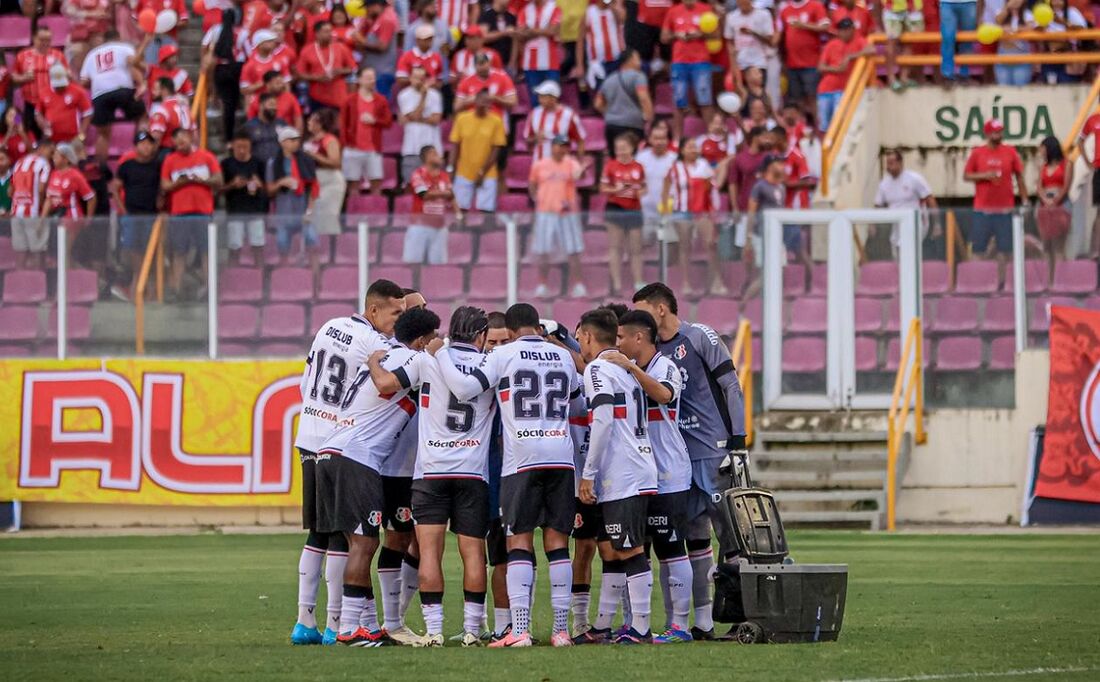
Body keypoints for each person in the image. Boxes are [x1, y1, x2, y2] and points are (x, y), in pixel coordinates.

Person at [426, 302, 582, 648]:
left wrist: (440, 355)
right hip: (561, 457)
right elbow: (576, 399)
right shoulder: (563, 357)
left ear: (510, 331)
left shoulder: (504, 354)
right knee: (557, 545)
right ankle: (560, 631)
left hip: (522, 459)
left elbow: (465, 389)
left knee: (519, 543)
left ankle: (520, 630)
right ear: (538, 328)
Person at [363, 306, 496, 648]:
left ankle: (434, 630)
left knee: (429, 552)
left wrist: (375, 361)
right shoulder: (490, 365)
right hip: (472, 472)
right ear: (481, 335)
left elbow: (387, 385)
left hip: (431, 472)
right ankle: (471, 629)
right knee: (473, 553)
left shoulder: (427, 359)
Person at [291, 278, 405, 646]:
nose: (397, 322)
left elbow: (305, 380)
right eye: (395, 313)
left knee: (317, 533)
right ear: (373, 311)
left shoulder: (329, 325)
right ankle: (335, 625)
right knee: (345, 533)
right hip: (339, 439)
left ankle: (303, 619)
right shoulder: (375, 342)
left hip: (307, 432)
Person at [632, 282, 746, 642]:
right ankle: (704, 622)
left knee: (733, 538)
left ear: (660, 309)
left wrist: (738, 442)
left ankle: (744, 618)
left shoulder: (699, 337)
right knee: (695, 539)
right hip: (679, 458)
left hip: (713, 452)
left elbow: (731, 386)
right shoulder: (650, 352)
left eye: (642, 309)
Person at [320, 307, 440, 647]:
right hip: (356, 457)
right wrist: (375, 364)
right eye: (432, 338)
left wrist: (374, 362)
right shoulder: (410, 359)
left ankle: (368, 627)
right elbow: (386, 382)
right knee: (365, 544)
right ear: (421, 339)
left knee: (360, 542)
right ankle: (348, 631)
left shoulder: (386, 354)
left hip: (332, 451)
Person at [605, 309, 694, 643]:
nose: (618, 344)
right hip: (639, 474)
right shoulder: (631, 370)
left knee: (672, 549)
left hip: (669, 472)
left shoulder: (664, 365)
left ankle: (680, 626)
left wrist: (629, 368)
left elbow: (665, 395)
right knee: (636, 551)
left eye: (621, 338)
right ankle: (635, 623)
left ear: (638, 337)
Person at [573, 308, 658, 645]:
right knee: (612, 548)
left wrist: (588, 475)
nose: (579, 343)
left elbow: (604, 420)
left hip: (624, 473)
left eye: (580, 337)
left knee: (629, 550)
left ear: (589, 336)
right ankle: (603, 625)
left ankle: (640, 629)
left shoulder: (598, 369)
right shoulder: (624, 369)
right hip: (634, 467)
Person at [160, 127, 222, 302]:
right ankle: (175, 289)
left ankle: (210, 287)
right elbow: (165, 185)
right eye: (177, 143)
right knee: (179, 252)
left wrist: (202, 180)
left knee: (206, 251)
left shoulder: (206, 157)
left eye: (183, 140)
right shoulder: (170, 160)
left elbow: (218, 180)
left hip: (203, 212)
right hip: (180, 213)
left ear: (190, 138)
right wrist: (180, 183)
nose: (181, 144)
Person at [963, 119, 1027, 284]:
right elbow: (967, 175)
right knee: (978, 248)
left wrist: (1025, 200)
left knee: (1004, 249)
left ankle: (1002, 282)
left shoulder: (1010, 152)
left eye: (1000, 131)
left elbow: (1019, 177)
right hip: (983, 210)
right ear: (987, 133)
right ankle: (977, 281)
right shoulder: (978, 153)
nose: (998, 135)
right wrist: (985, 175)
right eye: (994, 132)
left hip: (1005, 210)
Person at [664, 138, 726, 297]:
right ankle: (686, 283)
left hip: (703, 211)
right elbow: (666, 188)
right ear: (682, 150)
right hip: (682, 211)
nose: (693, 149)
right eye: (689, 146)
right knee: (685, 247)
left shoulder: (703, 166)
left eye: (695, 146)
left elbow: (713, 187)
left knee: (711, 244)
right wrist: (666, 210)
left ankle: (716, 281)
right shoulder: (675, 168)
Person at [530, 135, 588, 299]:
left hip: (567, 212)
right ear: (553, 146)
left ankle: (578, 284)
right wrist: (540, 200)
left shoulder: (571, 162)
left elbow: (578, 175)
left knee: (573, 249)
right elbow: (532, 185)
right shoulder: (540, 165)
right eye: (559, 145)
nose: (561, 149)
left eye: (565, 146)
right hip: (546, 212)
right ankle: (542, 284)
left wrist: (582, 171)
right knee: (543, 250)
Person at [111, 131, 162, 300]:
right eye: (143, 143)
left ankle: (151, 287)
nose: (146, 146)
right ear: (136, 146)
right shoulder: (127, 166)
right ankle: (139, 278)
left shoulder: (158, 165)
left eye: (149, 143)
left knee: (151, 250)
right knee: (133, 248)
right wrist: (123, 210)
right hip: (132, 214)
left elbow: (163, 187)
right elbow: (115, 188)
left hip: (151, 214)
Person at [79, 30, 149, 151]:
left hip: (99, 95)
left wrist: (98, 82)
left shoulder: (92, 54)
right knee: (141, 117)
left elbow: (83, 82)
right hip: (123, 90)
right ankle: (138, 150)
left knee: (103, 135)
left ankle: (102, 167)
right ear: (119, 37)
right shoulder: (124, 47)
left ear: (104, 40)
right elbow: (133, 62)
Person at [659, 0, 717, 142]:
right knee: (679, 101)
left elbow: (716, 34)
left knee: (705, 100)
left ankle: (712, 138)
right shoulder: (673, 11)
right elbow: (664, 37)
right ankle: (677, 140)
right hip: (679, 62)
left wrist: (699, 34)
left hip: (701, 62)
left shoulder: (706, 9)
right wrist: (677, 35)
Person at [266, 126, 319, 274]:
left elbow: (312, 188)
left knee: (313, 245)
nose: (296, 143)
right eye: (292, 140)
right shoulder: (273, 164)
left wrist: (310, 210)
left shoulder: (306, 162)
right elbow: (269, 189)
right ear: (283, 142)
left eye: (297, 140)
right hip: (284, 214)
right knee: (283, 247)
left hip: (302, 213)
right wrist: (281, 183)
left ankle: (316, 283)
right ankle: (286, 281)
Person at [600, 133, 647, 295]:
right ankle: (617, 285)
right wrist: (616, 189)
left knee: (636, 248)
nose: (620, 151)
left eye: (624, 147)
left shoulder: (638, 167)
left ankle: (638, 282)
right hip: (615, 208)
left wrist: (640, 192)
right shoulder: (611, 166)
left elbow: (643, 187)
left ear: (631, 148)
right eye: (618, 148)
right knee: (615, 247)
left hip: (634, 209)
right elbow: (603, 188)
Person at [449, 89, 506, 214]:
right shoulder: (462, 119)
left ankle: (484, 233)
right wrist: (451, 169)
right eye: (482, 101)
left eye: (487, 102)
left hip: (488, 172)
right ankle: (460, 234)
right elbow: (455, 147)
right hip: (463, 171)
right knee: (460, 210)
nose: (484, 104)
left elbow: (496, 150)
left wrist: (482, 172)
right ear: (475, 101)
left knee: (486, 212)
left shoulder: (496, 121)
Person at [874, 149, 939, 254]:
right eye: (887, 163)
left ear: (900, 163)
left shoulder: (914, 179)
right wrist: (873, 225)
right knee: (897, 252)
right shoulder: (884, 183)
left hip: (915, 222)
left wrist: (937, 224)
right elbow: (878, 204)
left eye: (891, 163)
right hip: (896, 224)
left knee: (909, 250)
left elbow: (930, 199)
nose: (888, 166)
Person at [341, 67, 393, 197]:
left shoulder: (381, 100)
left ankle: (377, 213)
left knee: (376, 183)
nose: (372, 80)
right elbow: (343, 124)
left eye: (373, 77)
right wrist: (346, 144)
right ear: (360, 80)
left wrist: (375, 120)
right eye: (368, 78)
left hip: (373, 149)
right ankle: (354, 214)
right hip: (353, 148)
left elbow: (388, 122)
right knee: (353, 185)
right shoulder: (349, 100)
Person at [817, 18, 874, 133]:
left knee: (838, 123)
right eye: (842, 30)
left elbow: (871, 50)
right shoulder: (831, 45)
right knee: (824, 125)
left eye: (848, 29)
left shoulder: (859, 41)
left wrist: (851, 56)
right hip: (825, 90)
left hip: (843, 90)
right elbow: (820, 67)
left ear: (853, 29)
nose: (845, 32)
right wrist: (837, 69)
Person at [404, 145, 459, 264]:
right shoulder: (418, 174)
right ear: (427, 157)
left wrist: (458, 214)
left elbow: (451, 196)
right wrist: (444, 193)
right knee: (413, 263)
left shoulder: (444, 176)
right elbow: (424, 194)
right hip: (419, 224)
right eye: (434, 154)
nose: (440, 156)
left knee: (438, 264)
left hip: (439, 226)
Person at [12, 27, 69, 140]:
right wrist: (24, 77)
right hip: (30, 103)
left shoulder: (58, 56)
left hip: (52, 103)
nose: (45, 43)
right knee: (32, 133)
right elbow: (14, 77)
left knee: (53, 133)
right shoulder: (22, 56)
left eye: (48, 40)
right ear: (34, 39)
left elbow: (67, 76)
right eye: (42, 39)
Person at [221, 132, 268, 267]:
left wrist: (259, 185)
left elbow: (268, 189)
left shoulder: (259, 163)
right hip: (235, 211)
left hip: (255, 211)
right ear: (233, 147)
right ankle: (234, 279)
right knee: (234, 248)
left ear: (250, 147)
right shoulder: (226, 164)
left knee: (258, 247)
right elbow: (218, 190)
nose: (242, 150)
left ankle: (260, 278)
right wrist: (232, 185)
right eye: (238, 147)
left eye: (245, 147)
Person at [742, 154, 786, 300]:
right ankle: (744, 303)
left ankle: (770, 302)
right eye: (779, 163)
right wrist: (748, 238)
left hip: (777, 236)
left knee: (780, 270)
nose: (782, 166)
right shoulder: (760, 187)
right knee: (765, 273)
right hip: (761, 235)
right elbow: (751, 212)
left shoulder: (781, 187)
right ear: (770, 166)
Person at [594, 48, 653, 152]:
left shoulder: (609, 79)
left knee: (615, 161)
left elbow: (598, 104)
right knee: (632, 161)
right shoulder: (638, 76)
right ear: (630, 60)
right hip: (632, 126)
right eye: (637, 58)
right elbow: (643, 97)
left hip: (611, 126)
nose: (640, 62)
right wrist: (649, 118)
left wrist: (610, 113)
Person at [203, 7, 248, 143]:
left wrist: (204, 63)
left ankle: (228, 138)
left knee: (227, 104)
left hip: (220, 68)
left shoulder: (214, 30)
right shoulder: (243, 32)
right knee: (235, 102)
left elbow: (204, 46)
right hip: (237, 68)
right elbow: (248, 52)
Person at [778, 0, 830, 114]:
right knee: (797, 100)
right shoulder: (785, 10)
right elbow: (780, 35)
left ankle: (819, 127)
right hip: (792, 63)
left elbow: (825, 26)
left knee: (812, 97)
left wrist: (803, 25)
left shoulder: (815, 5)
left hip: (811, 63)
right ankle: (801, 129)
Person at [10, 138, 55, 270]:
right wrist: (44, 208)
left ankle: (20, 287)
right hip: (34, 213)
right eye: (51, 152)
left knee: (21, 253)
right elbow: (41, 189)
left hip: (16, 213)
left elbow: (10, 190)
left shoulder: (19, 162)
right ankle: (38, 288)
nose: (52, 157)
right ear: (41, 148)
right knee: (38, 253)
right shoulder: (43, 164)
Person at [302, 109, 345, 240]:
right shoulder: (309, 140)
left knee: (328, 215)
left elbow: (335, 162)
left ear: (320, 123)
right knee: (314, 215)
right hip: (315, 180)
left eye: (312, 120)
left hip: (330, 180)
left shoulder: (329, 140)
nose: (308, 122)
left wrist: (314, 156)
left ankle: (331, 248)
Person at [397, 64, 444, 185]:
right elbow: (415, 116)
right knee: (411, 184)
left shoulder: (435, 95)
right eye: (415, 77)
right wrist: (423, 97)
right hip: (411, 149)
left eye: (421, 78)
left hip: (432, 148)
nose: (418, 81)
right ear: (410, 78)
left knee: (434, 184)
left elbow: (436, 119)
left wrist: (415, 119)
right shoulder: (403, 95)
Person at [298, 20, 358, 114]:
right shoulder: (307, 50)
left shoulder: (341, 47)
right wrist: (317, 78)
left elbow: (353, 68)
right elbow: (300, 74)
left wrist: (339, 71)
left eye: (330, 31)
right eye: (326, 31)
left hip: (338, 98)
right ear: (317, 34)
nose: (330, 34)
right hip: (317, 98)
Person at [524, 80, 587, 162]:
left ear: (553, 98)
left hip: (562, 166)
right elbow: (527, 139)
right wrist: (535, 139)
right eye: (539, 97)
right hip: (540, 165)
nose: (539, 100)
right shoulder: (534, 114)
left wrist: (580, 162)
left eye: (543, 97)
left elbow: (580, 140)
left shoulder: (569, 115)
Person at [1036, 136, 1073, 274]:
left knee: (1058, 246)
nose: (1041, 152)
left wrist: (1055, 201)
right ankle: (1048, 279)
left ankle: (1061, 279)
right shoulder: (1043, 167)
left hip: (1061, 204)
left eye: (1043, 149)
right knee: (1046, 245)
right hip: (1045, 206)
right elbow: (1039, 186)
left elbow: (1066, 186)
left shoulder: (1067, 164)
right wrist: (1045, 200)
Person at [518, 0, 563, 103]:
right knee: (535, 100)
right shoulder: (524, 11)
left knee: (552, 98)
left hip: (550, 63)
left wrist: (530, 31)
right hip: (530, 63)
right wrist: (544, 31)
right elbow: (520, 35)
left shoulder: (554, 8)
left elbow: (553, 31)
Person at [723, 0, 775, 91]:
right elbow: (729, 41)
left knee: (759, 95)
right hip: (740, 63)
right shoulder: (731, 17)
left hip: (759, 62)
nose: (743, 4)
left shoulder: (763, 15)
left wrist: (753, 33)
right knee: (743, 96)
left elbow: (770, 40)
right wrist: (733, 64)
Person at [577, 0, 626, 94]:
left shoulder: (614, 11)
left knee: (618, 92)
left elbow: (622, 20)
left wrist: (612, 7)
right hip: (597, 62)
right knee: (601, 94)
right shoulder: (588, 13)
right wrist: (580, 65)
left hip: (616, 60)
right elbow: (580, 41)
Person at [37, 64, 92, 145]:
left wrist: (82, 134)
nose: (60, 87)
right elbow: (37, 113)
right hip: (52, 139)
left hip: (73, 138)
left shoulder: (77, 91)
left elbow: (88, 112)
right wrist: (44, 125)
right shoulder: (43, 93)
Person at [636, 124, 677, 231]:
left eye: (662, 138)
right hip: (646, 208)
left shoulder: (675, 159)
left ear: (668, 140)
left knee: (668, 243)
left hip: (668, 207)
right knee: (645, 242)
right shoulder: (641, 157)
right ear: (650, 139)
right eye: (656, 138)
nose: (659, 142)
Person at [454, 52, 518, 122]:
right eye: (479, 65)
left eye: (484, 64)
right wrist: (470, 100)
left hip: (497, 122)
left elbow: (513, 102)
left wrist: (495, 98)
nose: (482, 68)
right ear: (475, 66)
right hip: (473, 124)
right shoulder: (466, 81)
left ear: (489, 63)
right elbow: (456, 107)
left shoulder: (502, 77)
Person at [881, 0, 926, 90]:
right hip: (893, 9)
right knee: (891, 43)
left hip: (912, 9)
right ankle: (891, 79)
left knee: (909, 42)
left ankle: (904, 77)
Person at [360, 0, 400, 98]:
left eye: (367, 7)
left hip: (382, 73)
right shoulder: (378, 19)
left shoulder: (386, 19)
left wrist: (362, 41)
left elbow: (383, 47)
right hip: (375, 73)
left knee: (380, 106)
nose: (366, 11)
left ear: (376, 5)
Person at [241, 29, 293, 101]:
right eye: (269, 41)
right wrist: (262, 83)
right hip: (259, 103)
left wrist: (287, 100)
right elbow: (244, 90)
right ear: (260, 44)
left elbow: (287, 83)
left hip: (278, 101)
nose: (273, 43)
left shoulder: (280, 61)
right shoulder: (249, 65)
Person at [244, 93, 287, 168]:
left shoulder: (281, 124)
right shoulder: (249, 126)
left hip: (279, 167)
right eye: (271, 104)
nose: (274, 108)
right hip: (258, 167)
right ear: (261, 106)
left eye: (275, 105)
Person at [148, 77, 193, 150]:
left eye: (155, 89)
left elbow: (156, 136)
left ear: (164, 90)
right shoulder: (186, 108)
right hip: (187, 150)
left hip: (168, 149)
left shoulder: (161, 109)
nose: (153, 92)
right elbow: (194, 132)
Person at [396, 24, 445, 90]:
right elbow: (400, 79)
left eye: (430, 38)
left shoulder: (436, 57)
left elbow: (439, 80)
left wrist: (433, 84)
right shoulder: (407, 57)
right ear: (417, 40)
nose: (428, 41)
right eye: (425, 39)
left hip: (430, 93)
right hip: (411, 93)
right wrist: (415, 80)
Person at [940, 0, 978, 84]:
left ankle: (964, 74)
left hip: (969, 2)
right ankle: (947, 75)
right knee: (947, 38)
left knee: (967, 40)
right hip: (947, 2)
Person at [480, 0, 519, 72]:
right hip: (490, 63)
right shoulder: (486, 16)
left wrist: (513, 61)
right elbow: (483, 37)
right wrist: (504, 32)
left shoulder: (511, 17)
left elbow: (515, 41)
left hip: (507, 63)